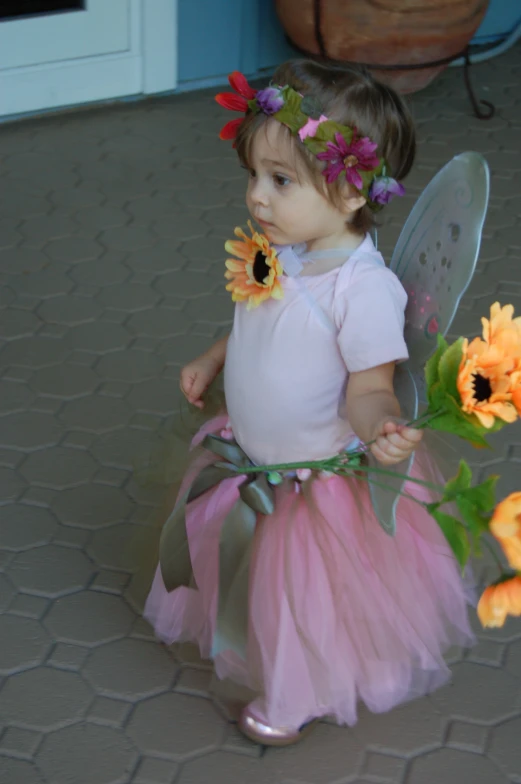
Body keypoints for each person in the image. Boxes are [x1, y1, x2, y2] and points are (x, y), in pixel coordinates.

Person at [144, 60, 474, 746]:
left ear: (351, 194)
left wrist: (379, 425)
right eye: (255, 175)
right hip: (255, 456)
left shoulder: (362, 291)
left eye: (280, 181)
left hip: (315, 480)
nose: (257, 198)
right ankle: (298, 662)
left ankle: (297, 692)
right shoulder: (284, 248)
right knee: (257, 579)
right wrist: (213, 358)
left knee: (305, 594)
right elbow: (254, 320)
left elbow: (369, 383)